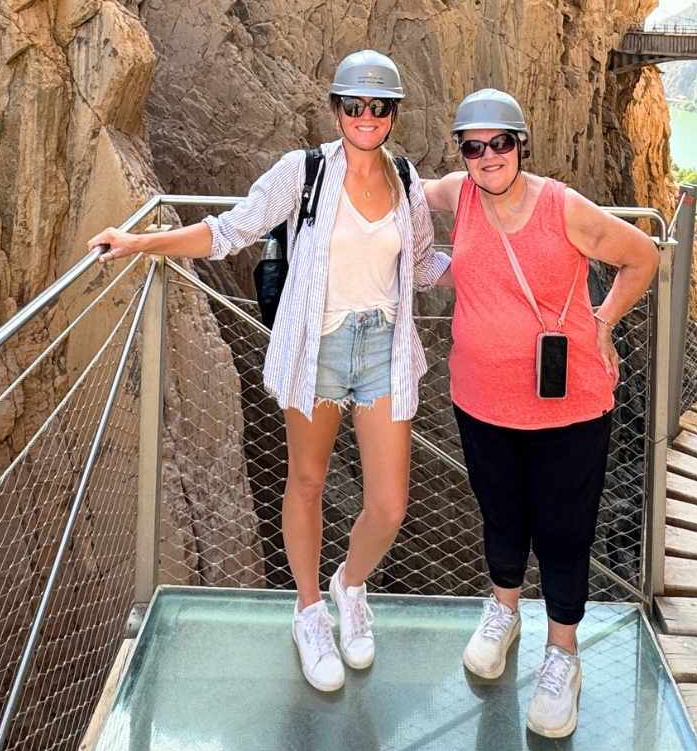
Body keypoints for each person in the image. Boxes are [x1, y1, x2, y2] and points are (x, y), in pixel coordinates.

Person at [89, 50, 448, 693]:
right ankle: (310, 610)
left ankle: (350, 585)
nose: (366, 117)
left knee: (389, 505)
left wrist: (497, 268)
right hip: (318, 346)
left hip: (384, 349)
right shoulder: (302, 172)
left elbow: (423, 266)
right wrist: (140, 241)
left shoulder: (405, 181)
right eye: (353, 105)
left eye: (379, 107)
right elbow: (229, 231)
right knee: (306, 481)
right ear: (337, 111)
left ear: (393, 115)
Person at [422, 89, 659, 740]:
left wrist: (604, 320)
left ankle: (563, 656)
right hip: (481, 402)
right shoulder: (459, 194)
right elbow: (399, 191)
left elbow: (643, 255)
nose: (488, 156)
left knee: (560, 530)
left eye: (501, 142)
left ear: (521, 145)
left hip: (568, 409)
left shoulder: (561, 207)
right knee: (501, 518)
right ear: (463, 154)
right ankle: (503, 614)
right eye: (474, 145)